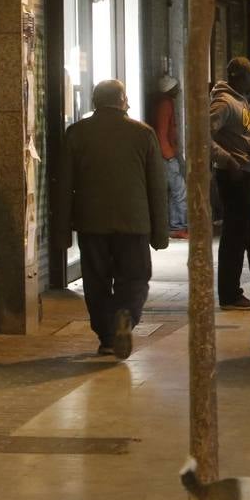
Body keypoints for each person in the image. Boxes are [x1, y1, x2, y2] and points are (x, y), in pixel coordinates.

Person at [53, 80, 167, 358]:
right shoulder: (143, 134)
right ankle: (125, 314)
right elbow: (156, 186)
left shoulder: (76, 134)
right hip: (134, 222)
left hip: (91, 222)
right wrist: (160, 232)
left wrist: (61, 231)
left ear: (94, 102)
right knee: (135, 277)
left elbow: (63, 185)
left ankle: (106, 337)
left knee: (96, 280)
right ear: (122, 100)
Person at [212, 57, 250, 311]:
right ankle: (229, 294)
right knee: (235, 236)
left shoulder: (241, 99)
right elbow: (199, 136)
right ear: (238, 76)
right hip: (237, 177)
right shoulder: (224, 102)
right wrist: (228, 161)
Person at [153, 74, 188, 239]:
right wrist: (170, 156)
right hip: (167, 155)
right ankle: (178, 226)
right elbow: (162, 133)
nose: (178, 90)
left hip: (166, 154)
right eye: (176, 87)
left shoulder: (164, 103)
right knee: (180, 191)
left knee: (175, 192)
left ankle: (176, 225)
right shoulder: (166, 105)